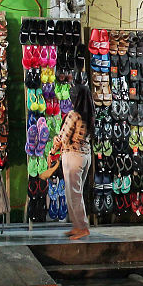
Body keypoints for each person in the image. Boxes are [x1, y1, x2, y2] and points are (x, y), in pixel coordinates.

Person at [50, 84, 93, 240]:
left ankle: (82, 227)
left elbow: (63, 138)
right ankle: (77, 225)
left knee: (74, 194)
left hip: (73, 157)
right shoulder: (90, 115)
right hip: (85, 156)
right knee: (77, 192)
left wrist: (52, 151)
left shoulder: (73, 115)